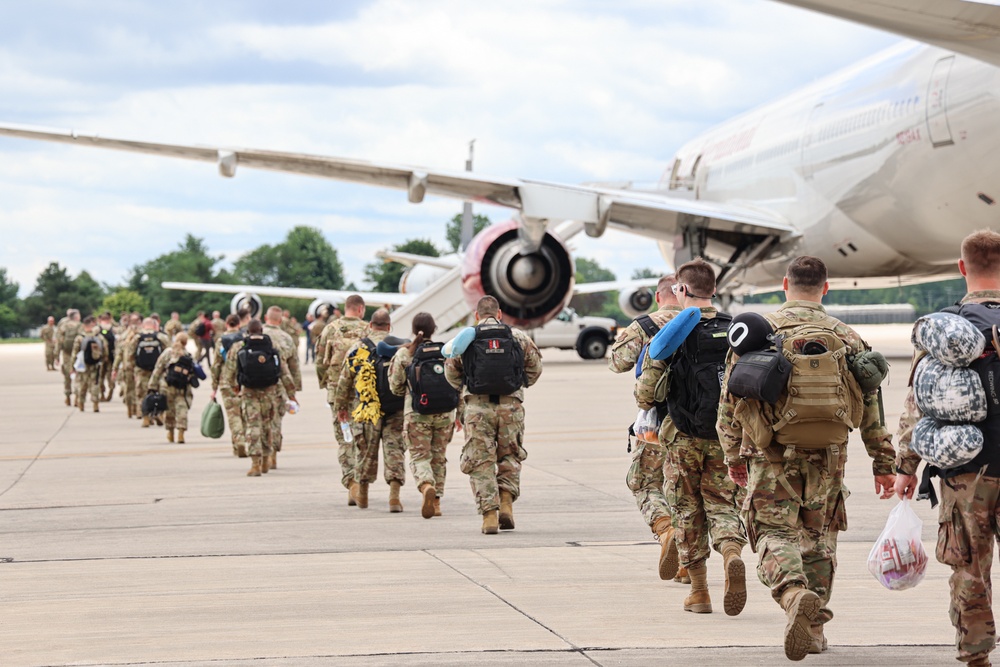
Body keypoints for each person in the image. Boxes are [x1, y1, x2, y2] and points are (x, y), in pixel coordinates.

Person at [718, 255, 895, 660]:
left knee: (770, 533)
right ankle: (814, 630)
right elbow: (871, 407)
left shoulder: (758, 332)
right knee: (819, 542)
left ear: (785, 284)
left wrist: (732, 455)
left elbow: (730, 401)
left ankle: (792, 592)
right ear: (825, 288)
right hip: (829, 458)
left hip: (769, 454)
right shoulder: (847, 337)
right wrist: (883, 463)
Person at [895, 231, 1000, 667]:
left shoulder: (946, 327)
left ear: (961, 268)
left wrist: (905, 465)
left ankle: (975, 655)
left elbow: (918, 403)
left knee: (969, 569)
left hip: (966, 470)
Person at [636, 259, 746, 617]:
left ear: (681, 290)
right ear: (714, 289)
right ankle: (731, 553)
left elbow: (645, 394)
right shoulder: (737, 329)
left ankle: (699, 593)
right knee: (723, 504)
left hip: (683, 437)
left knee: (686, 511)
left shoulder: (672, 333)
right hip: (727, 436)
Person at [608, 274, 688, 583]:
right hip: (697, 422)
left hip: (654, 422)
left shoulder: (644, 325)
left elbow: (617, 362)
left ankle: (665, 530)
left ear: (658, 296)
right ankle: (689, 563)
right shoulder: (704, 322)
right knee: (689, 491)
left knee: (643, 483)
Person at [444, 295, 543, 534]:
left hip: (477, 408)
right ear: (499, 315)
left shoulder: (467, 338)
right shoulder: (516, 336)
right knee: (509, 455)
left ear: (477, 316)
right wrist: (519, 385)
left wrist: (466, 389)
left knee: (480, 461)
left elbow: (451, 372)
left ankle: (489, 514)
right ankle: (506, 502)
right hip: (511, 406)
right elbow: (535, 368)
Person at [333, 309, 407, 511]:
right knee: (395, 451)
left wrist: (341, 407)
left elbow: (344, 380)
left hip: (367, 408)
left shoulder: (359, 347)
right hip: (396, 408)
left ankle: (363, 495)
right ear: (389, 326)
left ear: (370, 325)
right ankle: (394, 498)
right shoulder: (400, 347)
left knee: (365, 451)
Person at [389, 312, 459, 519]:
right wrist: (460, 413)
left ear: (413, 330)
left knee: (420, 456)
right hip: (445, 413)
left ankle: (426, 484)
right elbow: (457, 382)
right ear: (434, 329)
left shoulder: (405, 354)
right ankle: (436, 502)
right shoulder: (446, 351)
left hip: (417, 413)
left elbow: (395, 387)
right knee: (439, 458)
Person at [221, 318, 297, 477]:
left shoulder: (238, 347)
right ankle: (266, 459)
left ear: (247, 332)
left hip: (249, 392)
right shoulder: (272, 347)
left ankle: (255, 464)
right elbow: (284, 372)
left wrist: (235, 387)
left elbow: (228, 374)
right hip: (270, 393)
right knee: (268, 425)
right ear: (261, 331)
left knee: (252, 425)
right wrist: (291, 394)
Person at [320, 295, 369, 502]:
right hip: (362, 393)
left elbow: (320, 361)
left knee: (344, 439)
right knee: (362, 439)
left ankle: (351, 481)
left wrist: (327, 385)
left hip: (336, 393)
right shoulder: (367, 330)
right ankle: (359, 480)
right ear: (360, 309)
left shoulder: (330, 329)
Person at [264, 305, 302, 469]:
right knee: (276, 421)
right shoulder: (286, 338)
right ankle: (273, 455)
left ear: (266, 318)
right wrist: (294, 390)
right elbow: (294, 366)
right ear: (280, 321)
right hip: (279, 385)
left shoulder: (255, 334)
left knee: (259, 420)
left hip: (257, 385)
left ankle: (261, 456)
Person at [148, 332, 199, 443]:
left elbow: (158, 369)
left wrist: (152, 385)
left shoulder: (167, 353)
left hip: (167, 386)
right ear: (185, 343)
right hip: (182, 387)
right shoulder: (187, 355)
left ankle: (170, 433)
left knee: (169, 410)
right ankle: (181, 433)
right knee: (182, 410)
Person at [211, 314, 247, 457]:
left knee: (233, 415)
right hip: (243, 381)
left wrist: (214, 387)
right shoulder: (243, 339)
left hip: (226, 382)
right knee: (244, 413)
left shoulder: (221, 341)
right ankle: (242, 441)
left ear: (227, 324)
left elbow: (216, 365)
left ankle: (238, 442)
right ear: (239, 324)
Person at [129, 317, 170, 428]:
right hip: (158, 370)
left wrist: (133, 368)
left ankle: (146, 417)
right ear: (154, 325)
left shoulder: (137, 338)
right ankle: (159, 413)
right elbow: (169, 353)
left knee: (142, 393)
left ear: (143, 325)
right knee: (161, 392)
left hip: (141, 370)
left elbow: (130, 354)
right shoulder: (161, 337)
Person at [71, 316, 108, 412]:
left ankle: (81, 403)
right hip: (96, 365)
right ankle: (95, 404)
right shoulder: (99, 337)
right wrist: (103, 361)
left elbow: (75, 353)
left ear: (84, 325)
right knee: (95, 383)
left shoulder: (80, 338)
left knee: (82, 384)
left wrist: (73, 366)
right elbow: (105, 351)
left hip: (83, 365)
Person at [112, 313, 142, 419]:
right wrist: (115, 368)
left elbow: (119, 353)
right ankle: (132, 409)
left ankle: (137, 409)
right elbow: (119, 353)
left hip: (138, 367)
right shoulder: (142, 334)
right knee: (131, 389)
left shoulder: (127, 336)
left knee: (138, 389)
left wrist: (115, 368)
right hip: (130, 367)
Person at [56, 309, 83, 406]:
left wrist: (56, 356)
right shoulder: (80, 326)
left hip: (66, 354)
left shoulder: (64, 326)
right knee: (78, 375)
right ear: (76, 317)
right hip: (78, 354)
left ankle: (67, 396)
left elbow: (59, 342)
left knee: (67, 375)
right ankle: (77, 397)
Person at [97, 312, 117, 401]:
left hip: (104, 357)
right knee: (105, 376)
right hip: (107, 357)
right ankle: (106, 392)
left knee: (103, 376)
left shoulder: (98, 329)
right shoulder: (113, 329)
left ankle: (105, 393)